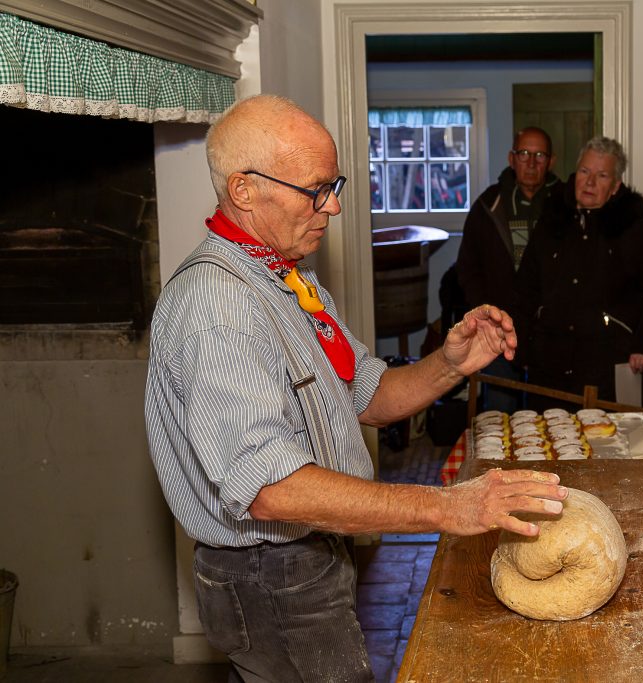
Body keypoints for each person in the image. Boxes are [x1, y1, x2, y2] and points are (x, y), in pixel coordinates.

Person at [144, 95, 567, 682]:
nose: (334, 205)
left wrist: (451, 363)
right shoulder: (220, 304)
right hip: (269, 574)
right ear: (244, 190)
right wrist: (447, 506)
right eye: (315, 188)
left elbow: (366, 395)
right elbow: (270, 488)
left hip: (306, 558)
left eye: (334, 183)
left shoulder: (284, 277)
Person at [514, 136, 643, 407]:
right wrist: (523, 347)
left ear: (615, 186)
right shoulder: (550, 222)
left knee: (610, 445)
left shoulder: (634, 230)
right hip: (549, 365)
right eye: (584, 171)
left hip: (610, 366)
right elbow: (527, 288)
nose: (589, 182)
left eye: (602, 175)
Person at [456, 126, 562, 413]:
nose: (531, 162)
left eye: (539, 155)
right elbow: (467, 268)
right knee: (499, 417)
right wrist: (485, 313)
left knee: (552, 417)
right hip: (499, 331)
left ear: (550, 162)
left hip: (552, 335)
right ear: (511, 158)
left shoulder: (566, 205)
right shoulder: (488, 205)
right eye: (524, 153)